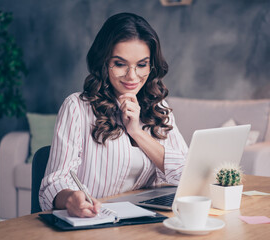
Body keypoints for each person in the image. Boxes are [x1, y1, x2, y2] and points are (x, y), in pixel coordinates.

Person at [39, 12, 188, 218]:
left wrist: (137, 132)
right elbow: (53, 184)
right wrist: (71, 198)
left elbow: (187, 174)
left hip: (147, 222)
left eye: (142, 64)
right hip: (94, 222)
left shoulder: (158, 107)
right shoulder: (77, 107)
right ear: (103, 62)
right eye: (120, 64)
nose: (132, 76)